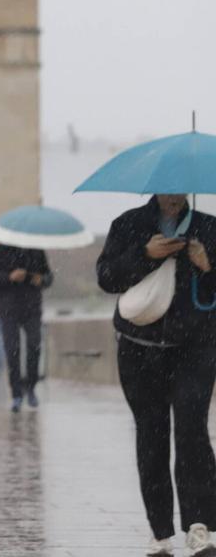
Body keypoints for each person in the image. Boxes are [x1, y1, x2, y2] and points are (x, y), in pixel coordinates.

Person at [97, 193, 216, 557]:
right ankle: (160, 533)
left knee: (193, 430)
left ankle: (201, 527)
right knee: (152, 435)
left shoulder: (208, 227)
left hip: (195, 347)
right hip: (139, 347)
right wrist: (145, 255)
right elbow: (107, 278)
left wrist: (207, 263)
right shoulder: (129, 223)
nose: (173, 192)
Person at [0, 243, 53, 411]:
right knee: (12, 349)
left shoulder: (37, 249)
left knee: (34, 344)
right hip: (8, 308)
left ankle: (31, 387)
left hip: (32, 307)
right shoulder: (1, 249)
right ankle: (16, 393)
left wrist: (41, 279)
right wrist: (10, 276)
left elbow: (48, 276)